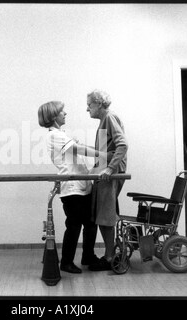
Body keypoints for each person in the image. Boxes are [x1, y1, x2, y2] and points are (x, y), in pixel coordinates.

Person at [38, 101, 105, 274]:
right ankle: (66, 262)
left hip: (82, 185)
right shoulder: (54, 135)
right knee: (74, 225)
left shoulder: (61, 134)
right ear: (53, 116)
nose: (65, 113)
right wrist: (103, 154)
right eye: (62, 111)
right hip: (72, 189)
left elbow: (80, 149)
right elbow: (78, 149)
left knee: (90, 224)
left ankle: (88, 257)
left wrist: (100, 152)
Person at [86, 89, 128, 271]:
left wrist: (110, 169)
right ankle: (109, 254)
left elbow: (123, 144)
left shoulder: (109, 117)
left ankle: (110, 257)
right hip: (105, 171)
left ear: (99, 104)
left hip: (110, 173)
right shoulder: (104, 120)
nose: (87, 109)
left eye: (89, 105)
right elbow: (104, 152)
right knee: (102, 214)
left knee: (105, 214)